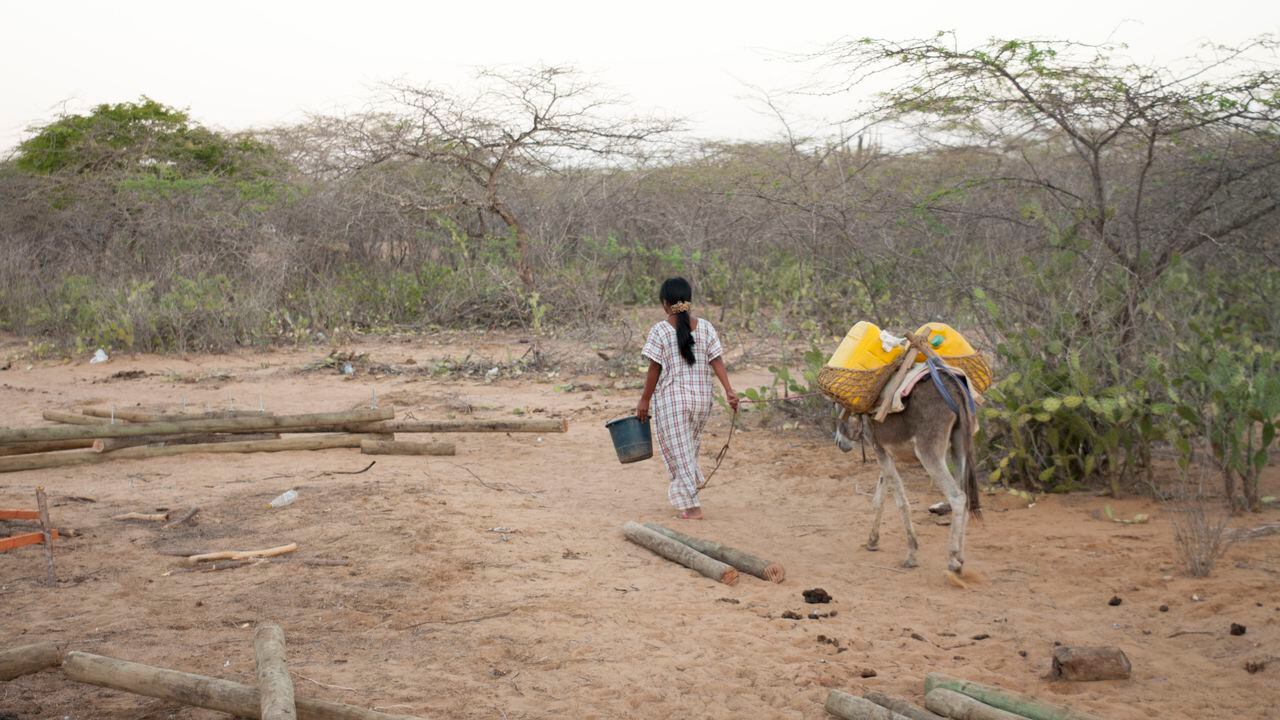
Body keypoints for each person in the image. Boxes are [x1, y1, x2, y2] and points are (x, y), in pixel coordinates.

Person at [636, 277, 738, 519]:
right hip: (702, 402)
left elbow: (654, 369)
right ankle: (690, 492)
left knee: (679, 453)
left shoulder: (660, 330)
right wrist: (729, 390)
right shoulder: (705, 327)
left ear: (665, 304)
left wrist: (644, 400)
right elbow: (717, 361)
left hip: (674, 402)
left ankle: (692, 507)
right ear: (688, 301)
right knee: (687, 451)